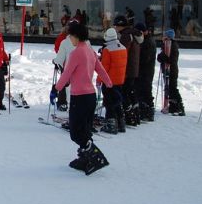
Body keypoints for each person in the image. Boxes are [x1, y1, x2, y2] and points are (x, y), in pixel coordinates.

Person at [52, 21, 113, 175]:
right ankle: (85, 157)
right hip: (90, 96)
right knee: (84, 129)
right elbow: (100, 69)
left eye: (70, 36)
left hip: (79, 97)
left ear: (76, 36)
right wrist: (109, 84)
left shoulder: (76, 53)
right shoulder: (90, 51)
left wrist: (55, 89)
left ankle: (93, 155)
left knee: (75, 132)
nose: (69, 38)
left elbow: (66, 74)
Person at [114, 15, 143, 126]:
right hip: (134, 68)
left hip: (127, 68)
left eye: (116, 25)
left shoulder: (126, 35)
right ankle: (135, 116)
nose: (115, 28)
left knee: (125, 92)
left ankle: (130, 116)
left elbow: (122, 51)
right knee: (131, 91)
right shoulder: (134, 34)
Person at [98, 28, 128, 134]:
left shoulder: (108, 49)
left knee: (109, 102)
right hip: (120, 79)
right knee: (117, 101)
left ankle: (111, 124)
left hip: (109, 80)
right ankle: (121, 123)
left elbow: (104, 67)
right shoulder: (123, 48)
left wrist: (99, 79)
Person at [158, 29, 185, 116]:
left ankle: (179, 107)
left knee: (173, 88)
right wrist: (161, 57)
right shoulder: (165, 45)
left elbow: (172, 60)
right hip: (167, 70)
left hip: (172, 71)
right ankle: (173, 107)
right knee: (169, 89)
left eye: (164, 36)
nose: (163, 37)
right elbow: (160, 58)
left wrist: (163, 57)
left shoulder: (172, 45)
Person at [135, 22, 157, 121]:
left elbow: (145, 58)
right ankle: (145, 110)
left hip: (146, 71)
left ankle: (148, 111)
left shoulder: (148, 42)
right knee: (143, 90)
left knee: (146, 90)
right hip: (145, 70)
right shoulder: (147, 40)